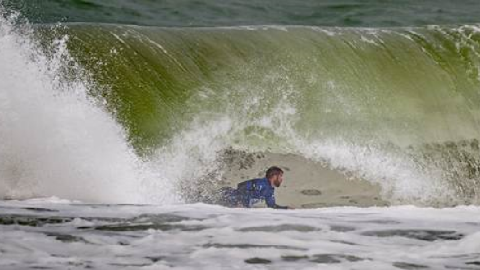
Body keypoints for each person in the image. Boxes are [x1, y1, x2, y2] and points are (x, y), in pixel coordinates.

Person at [218, 166, 291, 209]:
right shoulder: (261, 183)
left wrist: (286, 208)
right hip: (226, 195)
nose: (281, 179)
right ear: (274, 176)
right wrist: (241, 203)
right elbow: (241, 186)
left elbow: (272, 206)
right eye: (280, 176)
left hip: (230, 203)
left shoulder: (270, 190)